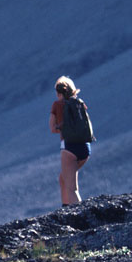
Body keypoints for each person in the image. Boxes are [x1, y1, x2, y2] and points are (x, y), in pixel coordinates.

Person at [49, 76, 91, 205]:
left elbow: (52, 128)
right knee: (63, 179)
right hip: (85, 147)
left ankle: (80, 216)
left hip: (69, 148)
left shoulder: (57, 105)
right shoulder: (79, 103)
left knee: (72, 188)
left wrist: (62, 128)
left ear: (58, 93)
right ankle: (65, 210)